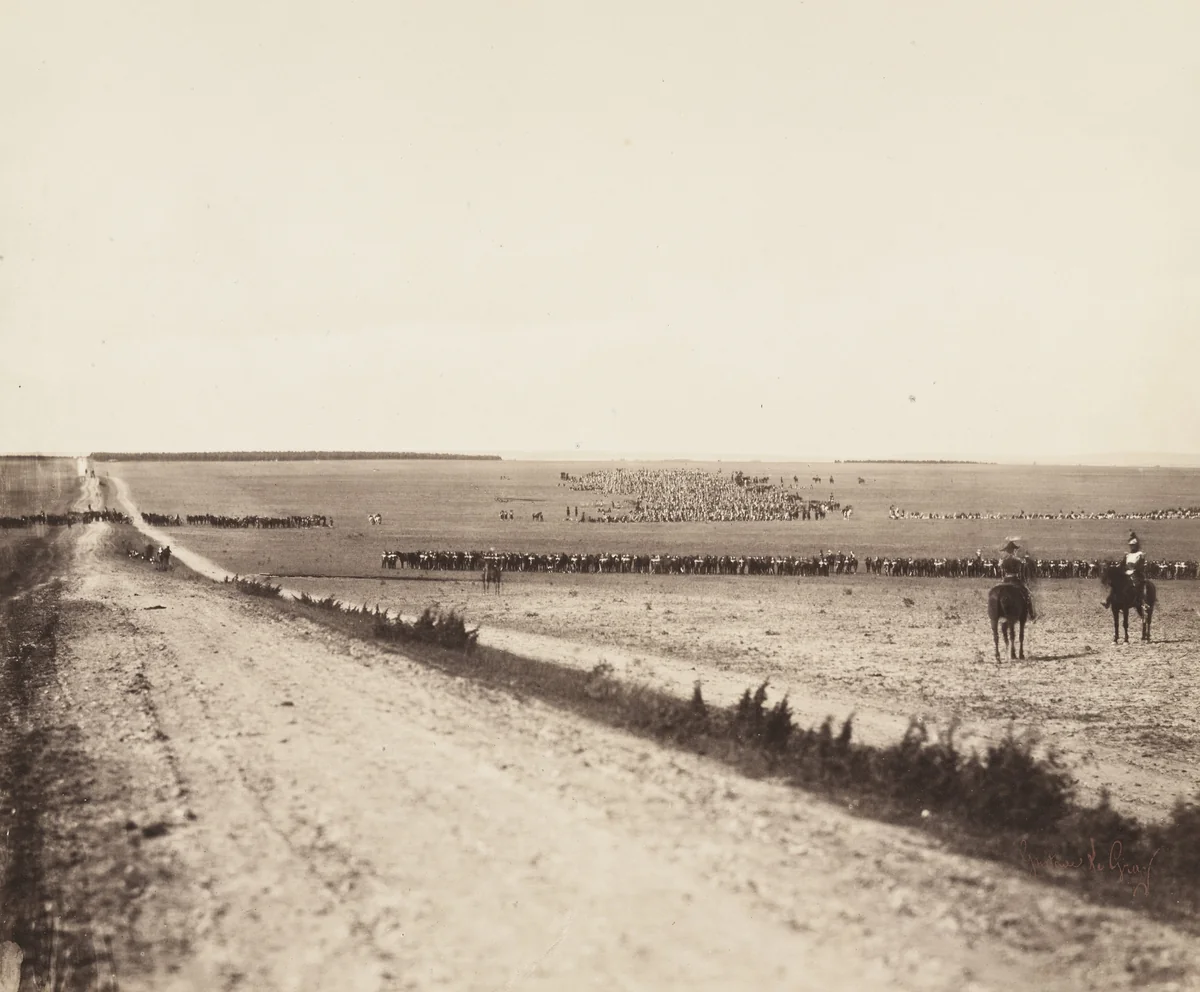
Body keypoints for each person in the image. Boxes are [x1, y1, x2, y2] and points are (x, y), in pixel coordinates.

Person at [1105, 532, 1146, 614]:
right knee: (1116, 584)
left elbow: (1140, 565)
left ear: (1136, 545)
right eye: (1130, 545)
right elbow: (1122, 565)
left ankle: (1142, 602)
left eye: (1133, 545)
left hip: (1136, 573)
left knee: (1137, 585)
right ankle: (1108, 600)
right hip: (1127, 573)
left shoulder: (1140, 554)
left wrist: (1134, 568)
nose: (1132, 547)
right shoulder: (1128, 555)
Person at [999, 539, 1036, 620]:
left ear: (1007, 551)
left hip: (1006, 580)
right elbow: (1021, 573)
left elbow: (1002, 573)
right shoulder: (1018, 560)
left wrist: (1003, 580)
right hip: (1015, 579)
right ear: (1014, 550)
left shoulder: (1003, 561)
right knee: (1027, 595)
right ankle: (1031, 615)